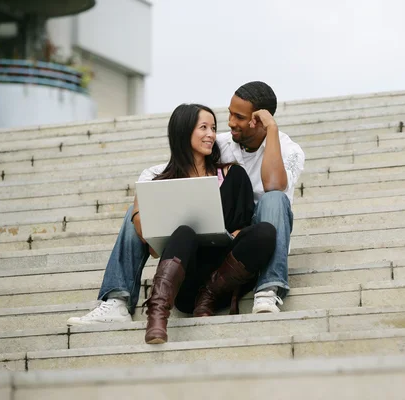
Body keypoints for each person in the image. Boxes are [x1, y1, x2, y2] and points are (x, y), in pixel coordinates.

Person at [67, 81, 305, 326]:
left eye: (238, 116)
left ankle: (269, 289)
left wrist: (272, 130)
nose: (228, 123)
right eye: (228, 115)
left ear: (257, 120)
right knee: (138, 210)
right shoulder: (222, 142)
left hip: (255, 237)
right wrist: (144, 194)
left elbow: (275, 185)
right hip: (201, 240)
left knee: (273, 198)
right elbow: (180, 164)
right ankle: (116, 301)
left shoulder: (288, 150)